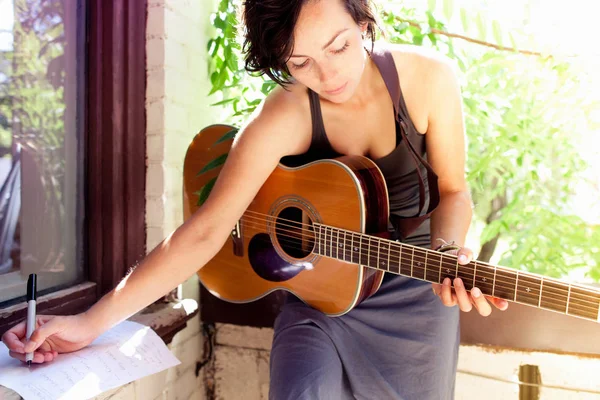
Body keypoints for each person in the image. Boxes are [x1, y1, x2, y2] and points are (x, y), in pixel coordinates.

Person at [2, 0, 508, 398]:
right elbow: (204, 231)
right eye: (300, 62)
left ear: (362, 15)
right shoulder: (286, 112)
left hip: (417, 298)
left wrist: (446, 253)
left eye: (339, 45)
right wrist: (88, 323)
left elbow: (454, 190)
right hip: (320, 300)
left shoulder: (428, 79)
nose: (328, 76)